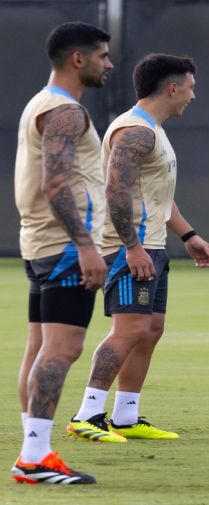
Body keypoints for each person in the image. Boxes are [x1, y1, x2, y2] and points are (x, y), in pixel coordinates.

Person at [66, 53, 209, 443]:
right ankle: (86, 415)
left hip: (152, 245)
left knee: (150, 329)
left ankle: (125, 416)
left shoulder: (153, 130)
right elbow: (115, 191)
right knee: (130, 328)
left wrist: (189, 235)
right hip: (129, 248)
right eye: (191, 88)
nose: (193, 96)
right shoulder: (136, 131)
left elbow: (156, 196)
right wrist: (131, 247)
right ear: (172, 88)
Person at [12, 21, 113, 485]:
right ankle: (34, 458)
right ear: (78, 59)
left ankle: (35, 450)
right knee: (63, 348)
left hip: (40, 242)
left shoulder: (40, 101)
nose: (109, 64)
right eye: (103, 55)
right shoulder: (66, 111)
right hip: (65, 247)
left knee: (39, 347)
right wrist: (87, 246)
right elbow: (55, 184)